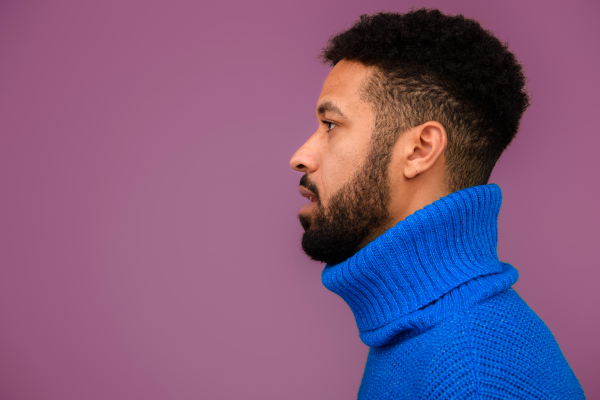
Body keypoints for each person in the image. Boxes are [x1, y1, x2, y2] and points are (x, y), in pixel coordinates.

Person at [289, 8, 585, 399]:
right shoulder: (419, 331)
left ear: (420, 149)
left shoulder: (473, 374)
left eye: (331, 125)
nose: (301, 156)